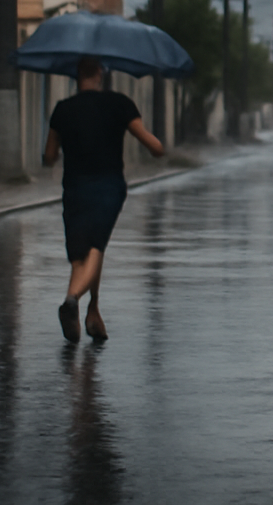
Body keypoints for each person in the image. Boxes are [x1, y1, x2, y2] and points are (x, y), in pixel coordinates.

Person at [43, 56, 164, 344]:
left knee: (81, 253)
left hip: (74, 187)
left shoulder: (63, 109)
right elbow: (153, 145)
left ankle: (92, 312)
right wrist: (159, 147)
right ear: (100, 73)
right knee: (96, 247)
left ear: (77, 75)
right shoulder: (119, 104)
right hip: (109, 187)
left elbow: (48, 157)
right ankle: (73, 300)